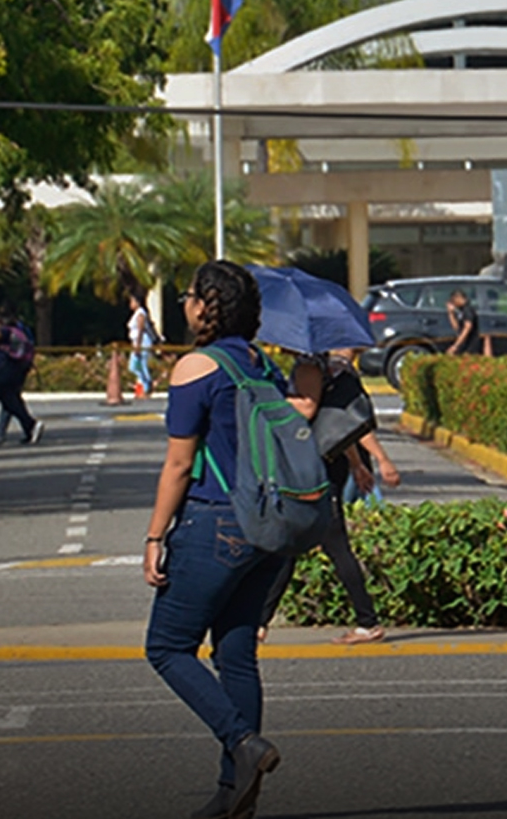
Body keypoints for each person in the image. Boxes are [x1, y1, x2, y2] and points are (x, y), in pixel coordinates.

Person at [144, 260, 290, 819]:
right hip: (266, 530)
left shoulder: (196, 367)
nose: (185, 304)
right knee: (236, 656)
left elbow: (179, 465)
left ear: (208, 304)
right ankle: (235, 796)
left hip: (216, 521)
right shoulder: (261, 365)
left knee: (166, 646)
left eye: (188, 296)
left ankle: (242, 743)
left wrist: (155, 536)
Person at [259, 350, 401, 645]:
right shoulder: (324, 367)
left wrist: (269, 405)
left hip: (319, 469)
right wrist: (357, 463)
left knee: (330, 544)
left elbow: (310, 411)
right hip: (324, 463)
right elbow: (335, 426)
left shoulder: (310, 366)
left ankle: (367, 622)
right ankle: (260, 621)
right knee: (292, 544)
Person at [0, 306, 42, 446]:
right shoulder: (21, 330)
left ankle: (28, 425)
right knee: (11, 402)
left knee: (1, 403)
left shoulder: (5, 332)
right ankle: (25, 429)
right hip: (13, 371)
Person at [128, 291, 158, 399]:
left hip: (142, 342)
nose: (130, 303)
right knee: (133, 366)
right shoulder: (136, 314)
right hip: (136, 341)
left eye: (132, 301)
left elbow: (140, 330)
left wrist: (138, 345)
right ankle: (146, 384)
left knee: (141, 365)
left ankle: (147, 387)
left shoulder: (141, 313)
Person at [445, 289, 481, 356]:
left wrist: (456, 345)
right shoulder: (461, 311)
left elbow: (467, 328)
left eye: (453, 301)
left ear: (458, 298)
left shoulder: (468, 310)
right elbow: (457, 328)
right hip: (464, 344)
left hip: (470, 345)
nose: (453, 303)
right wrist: (451, 313)